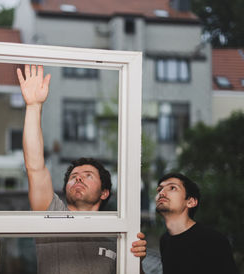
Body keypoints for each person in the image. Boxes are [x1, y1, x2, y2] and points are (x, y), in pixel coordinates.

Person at [17, 64, 146, 274]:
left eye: (88, 176)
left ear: (104, 192)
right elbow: (35, 166)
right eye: (74, 176)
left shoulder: (118, 237)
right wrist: (33, 106)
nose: (78, 179)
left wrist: (137, 261)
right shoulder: (52, 216)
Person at [156, 173, 238, 274]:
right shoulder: (164, 240)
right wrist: (138, 263)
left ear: (191, 202)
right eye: (159, 189)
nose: (162, 193)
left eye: (172, 188)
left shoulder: (213, 240)